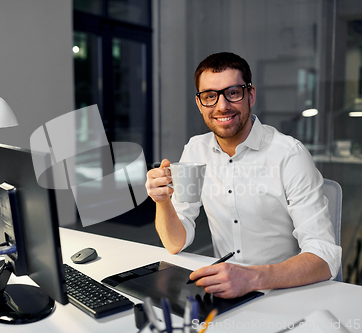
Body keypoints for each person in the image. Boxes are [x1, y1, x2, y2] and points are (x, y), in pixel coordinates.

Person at [145, 52, 342, 299]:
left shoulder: (289, 155)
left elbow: (324, 256)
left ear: (251, 95)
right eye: (210, 96)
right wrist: (162, 202)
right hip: (227, 292)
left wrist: (250, 278)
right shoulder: (195, 150)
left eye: (233, 92)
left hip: (285, 292)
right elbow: (176, 242)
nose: (222, 105)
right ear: (200, 104)